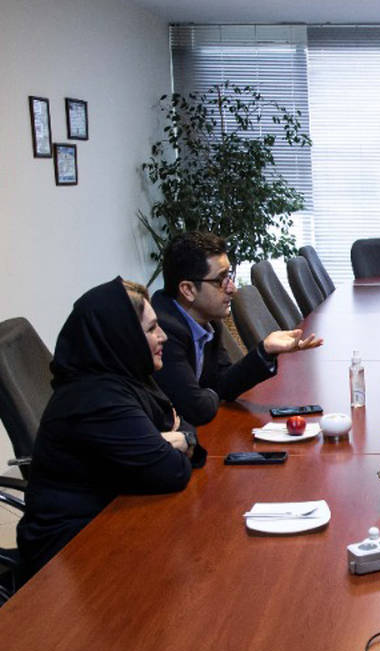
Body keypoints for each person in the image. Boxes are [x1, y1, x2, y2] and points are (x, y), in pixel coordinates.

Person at [17, 278, 205, 578]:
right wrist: (179, 440)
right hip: (68, 553)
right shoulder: (97, 398)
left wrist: (176, 439)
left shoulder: (128, 377)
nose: (163, 336)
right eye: (151, 329)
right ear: (123, 337)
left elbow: (187, 425)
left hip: (114, 517)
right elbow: (172, 471)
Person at [151, 232, 322, 426]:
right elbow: (196, 409)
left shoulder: (206, 319)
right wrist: (210, 393)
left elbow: (224, 384)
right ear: (188, 290)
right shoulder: (162, 331)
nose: (232, 288)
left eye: (229, 276)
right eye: (220, 280)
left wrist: (265, 350)